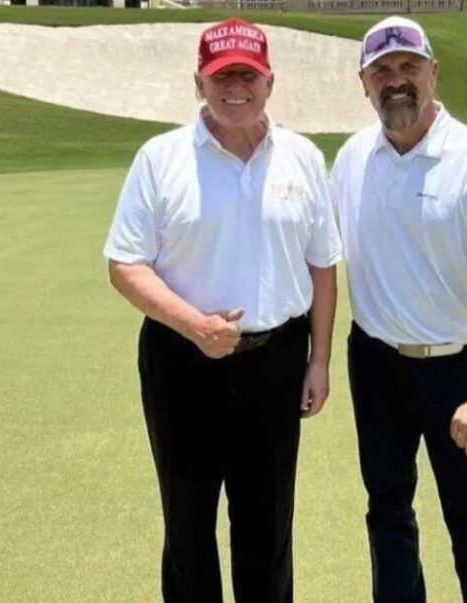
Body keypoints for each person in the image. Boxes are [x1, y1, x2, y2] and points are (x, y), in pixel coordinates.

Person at [103, 18, 342, 603]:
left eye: (248, 75)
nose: (235, 86)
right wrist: (193, 325)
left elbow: (323, 266)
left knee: (268, 526)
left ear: (270, 82)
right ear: (198, 82)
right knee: (187, 523)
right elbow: (125, 265)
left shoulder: (303, 159)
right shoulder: (161, 158)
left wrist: (319, 361)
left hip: (276, 361)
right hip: (180, 360)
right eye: (221, 75)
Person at [330, 16, 467, 603]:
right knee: (388, 512)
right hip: (375, 364)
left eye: (409, 67)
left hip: (459, 371)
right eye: (382, 71)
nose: (396, 81)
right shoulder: (350, 160)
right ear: (364, 84)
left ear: (434, 73)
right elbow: (317, 258)